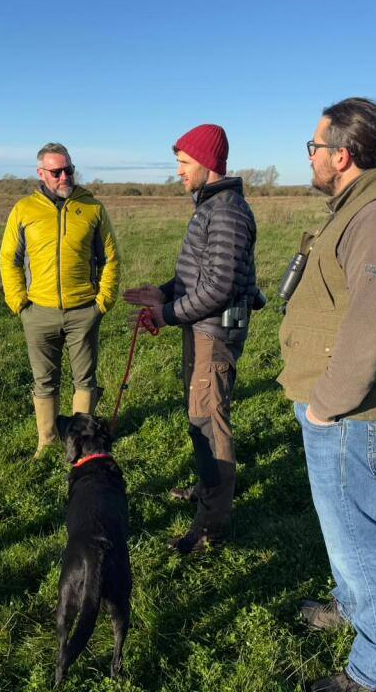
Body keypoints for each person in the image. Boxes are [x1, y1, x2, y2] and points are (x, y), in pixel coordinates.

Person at [279, 98, 376, 692]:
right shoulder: (359, 206)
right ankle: (351, 604)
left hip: (350, 412)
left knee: (359, 536)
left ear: (340, 155)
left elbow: (372, 324)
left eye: (314, 147)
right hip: (339, 407)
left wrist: (326, 404)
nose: (311, 157)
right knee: (342, 525)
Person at [124, 124, 258, 554]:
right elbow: (199, 274)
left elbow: (218, 287)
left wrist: (164, 314)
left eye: (184, 163)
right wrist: (164, 292)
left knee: (210, 423)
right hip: (200, 330)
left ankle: (210, 527)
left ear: (207, 163)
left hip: (214, 337)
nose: (178, 172)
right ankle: (206, 491)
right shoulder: (211, 206)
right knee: (199, 416)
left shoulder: (227, 211)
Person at [0, 142, 120, 456]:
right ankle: (47, 441)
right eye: (57, 171)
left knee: (85, 378)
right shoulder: (24, 210)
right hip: (38, 312)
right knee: (45, 380)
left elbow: (110, 258)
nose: (65, 176)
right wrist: (19, 304)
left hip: (84, 311)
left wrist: (102, 302)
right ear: (41, 173)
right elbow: (9, 259)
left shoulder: (92, 208)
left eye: (69, 169)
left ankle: (83, 443)